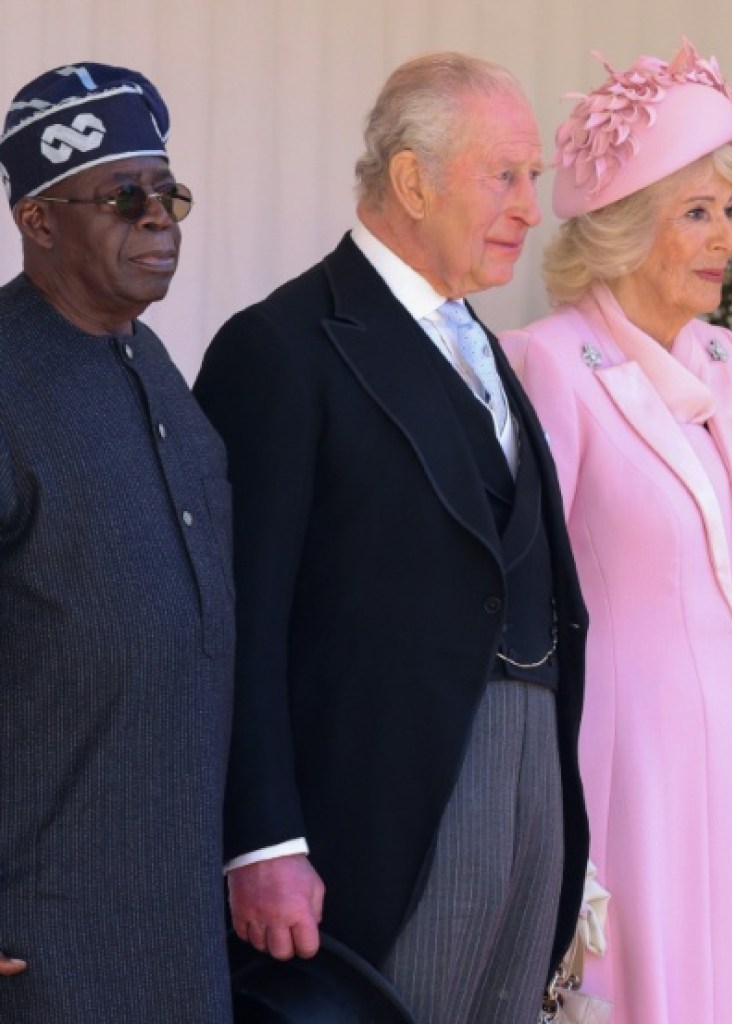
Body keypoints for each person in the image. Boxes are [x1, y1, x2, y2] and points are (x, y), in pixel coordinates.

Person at [192, 52, 589, 1024]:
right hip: (380, 809)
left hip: (529, 780)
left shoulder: (484, 346)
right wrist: (262, 840)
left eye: (531, 178)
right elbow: (236, 616)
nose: (531, 208)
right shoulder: (281, 345)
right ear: (412, 180)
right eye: (506, 175)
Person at [501, 39, 732, 1024]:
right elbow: (524, 602)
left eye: (730, 211)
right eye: (696, 213)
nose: (726, 237)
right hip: (626, 775)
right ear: (626, 229)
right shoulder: (549, 362)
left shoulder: (721, 359)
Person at [0, 63, 234, 1022]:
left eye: (166, 194)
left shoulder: (154, 365)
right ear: (38, 221)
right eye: (121, 197)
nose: (158, 219)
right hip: (42, 937)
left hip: (178, 920)